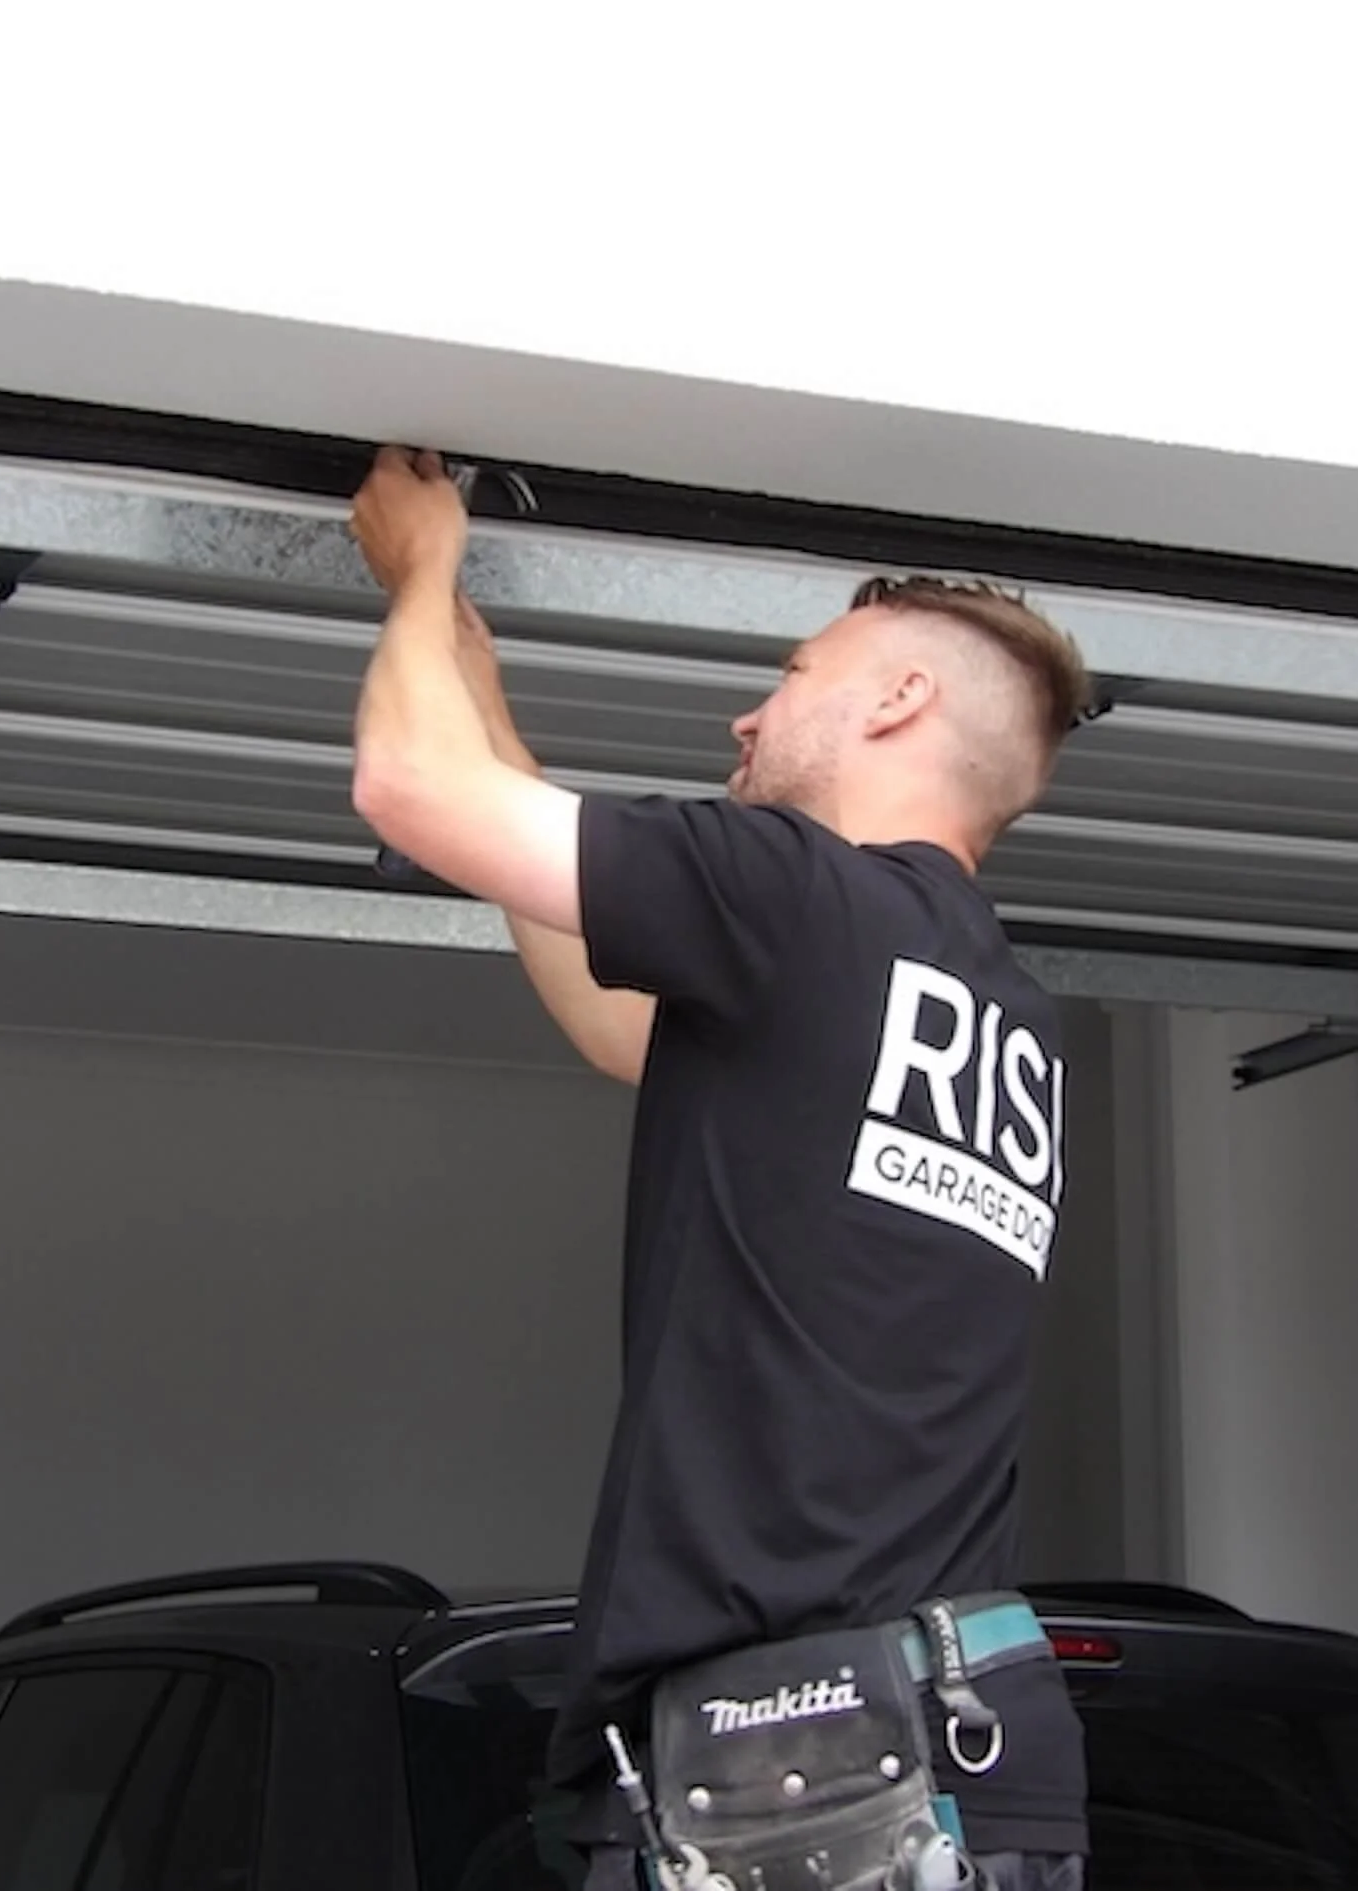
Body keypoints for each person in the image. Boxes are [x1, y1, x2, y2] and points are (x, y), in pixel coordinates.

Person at [350, 448, 1095, 1891]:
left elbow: (404, 782)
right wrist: (476, 682)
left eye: (795, 669)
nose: (748, 714)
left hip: (794, 1784)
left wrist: (421, 567)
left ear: (897, 700)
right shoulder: (997, 1012)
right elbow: (620, 1020)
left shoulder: (801, 897)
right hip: (947, 1762)